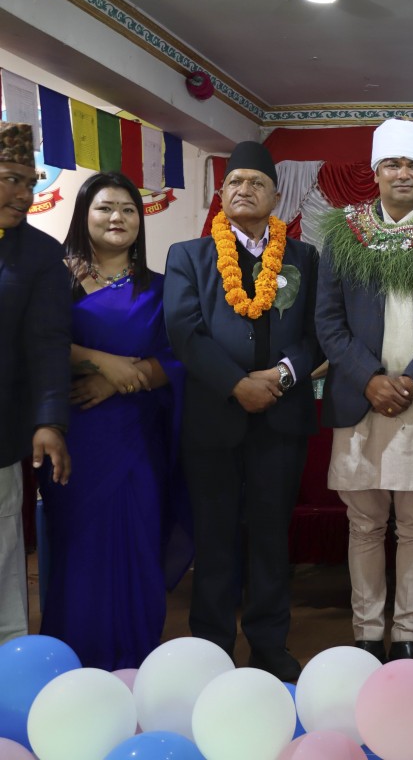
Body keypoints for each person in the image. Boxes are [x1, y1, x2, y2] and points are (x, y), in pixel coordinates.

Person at [316, 119, 413, 664]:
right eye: (392, 164)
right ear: (376, 172)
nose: (402, 173)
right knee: (363, 526)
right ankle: (366, 633)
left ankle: (407, 636)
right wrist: (369, 378)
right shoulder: (344, 233)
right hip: (360, 401)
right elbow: (328, 321)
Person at [164, 141, 321, 682]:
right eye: (235, 181)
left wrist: (280, 377)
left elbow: (317, 333)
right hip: (214, 419)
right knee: (214, 537)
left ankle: (269, 644)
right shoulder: (189, 256)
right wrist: (235, 384)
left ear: (276, 196)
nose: (244, 189)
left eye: (257, 182)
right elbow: (184, 332)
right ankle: (211, 644)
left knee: (271, 537)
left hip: (281, 417)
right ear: (221, 193)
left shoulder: (304, 258)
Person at [39, 171, 189, 669]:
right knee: (79, 550)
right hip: (75, 437)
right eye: (105, 207)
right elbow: (39, 344)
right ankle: (72, 666)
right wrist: (102, 362)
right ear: (84, 215)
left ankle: (134, 662)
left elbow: (180, 358)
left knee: (138, 544)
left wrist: (125, 380)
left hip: (138, 437)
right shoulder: (54, 280)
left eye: (128, 209)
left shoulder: (162, 288)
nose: (117, 217)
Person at [0, 122, 71, 645]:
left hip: (1, 434)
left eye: (30, 183)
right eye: (11, 179)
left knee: (4, 563)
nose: (24, 195)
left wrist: (49, 421)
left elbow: (47, 344)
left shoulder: (40, 255)